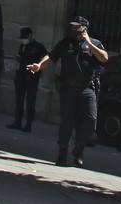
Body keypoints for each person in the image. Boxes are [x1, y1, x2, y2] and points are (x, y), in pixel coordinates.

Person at [28, 16, 109, 167]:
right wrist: (39, 66)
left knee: (91, 119)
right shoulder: (66, 43)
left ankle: (79, 150)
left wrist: (89, 43)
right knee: (67, 121)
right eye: (72, 27)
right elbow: (51, 57)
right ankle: (62, 153)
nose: (73, 30)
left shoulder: (95, 43)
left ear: (84, 29)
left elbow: (104, 58)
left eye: (77, 27)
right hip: (68, 88)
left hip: (87, 87)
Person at [6, 26, 48, 131]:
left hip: (32, 78)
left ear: (30, 36)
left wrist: (39, 68)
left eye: (25, 37)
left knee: (30, 102)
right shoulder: (23, 45)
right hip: (21, 76)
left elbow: (45, 58)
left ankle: (28, 125)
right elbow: (21, 57)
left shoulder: (39, 47)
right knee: (19, 100)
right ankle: (17, 122)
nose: (23, 39)